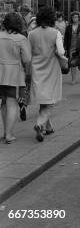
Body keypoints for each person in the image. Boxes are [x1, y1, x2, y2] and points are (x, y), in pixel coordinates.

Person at [28, 7, 64, 142]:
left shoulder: (31, 33)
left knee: (43, 99)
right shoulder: (56, 32)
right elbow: (60, 52)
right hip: (51, 68)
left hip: (36, 68)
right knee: (51, 100)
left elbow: (27, 52)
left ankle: (47, 128)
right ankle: (39, 123)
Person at [0, 13, 31, 144]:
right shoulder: (21, 39)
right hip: (15, 75)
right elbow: (27, 59)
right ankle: (9, 134)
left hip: (0, 74)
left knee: (3, 103)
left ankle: (5, 131)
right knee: (12, 103)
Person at [64, 11, 80, 85]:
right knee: (72, 63)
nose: (75, 18)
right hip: (71, 47)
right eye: (73, 17)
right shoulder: (68, 27)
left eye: (76, 17)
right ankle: (73, 79)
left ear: (79, 18)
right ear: (71, 18)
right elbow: (66, 38)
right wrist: (65, 47)